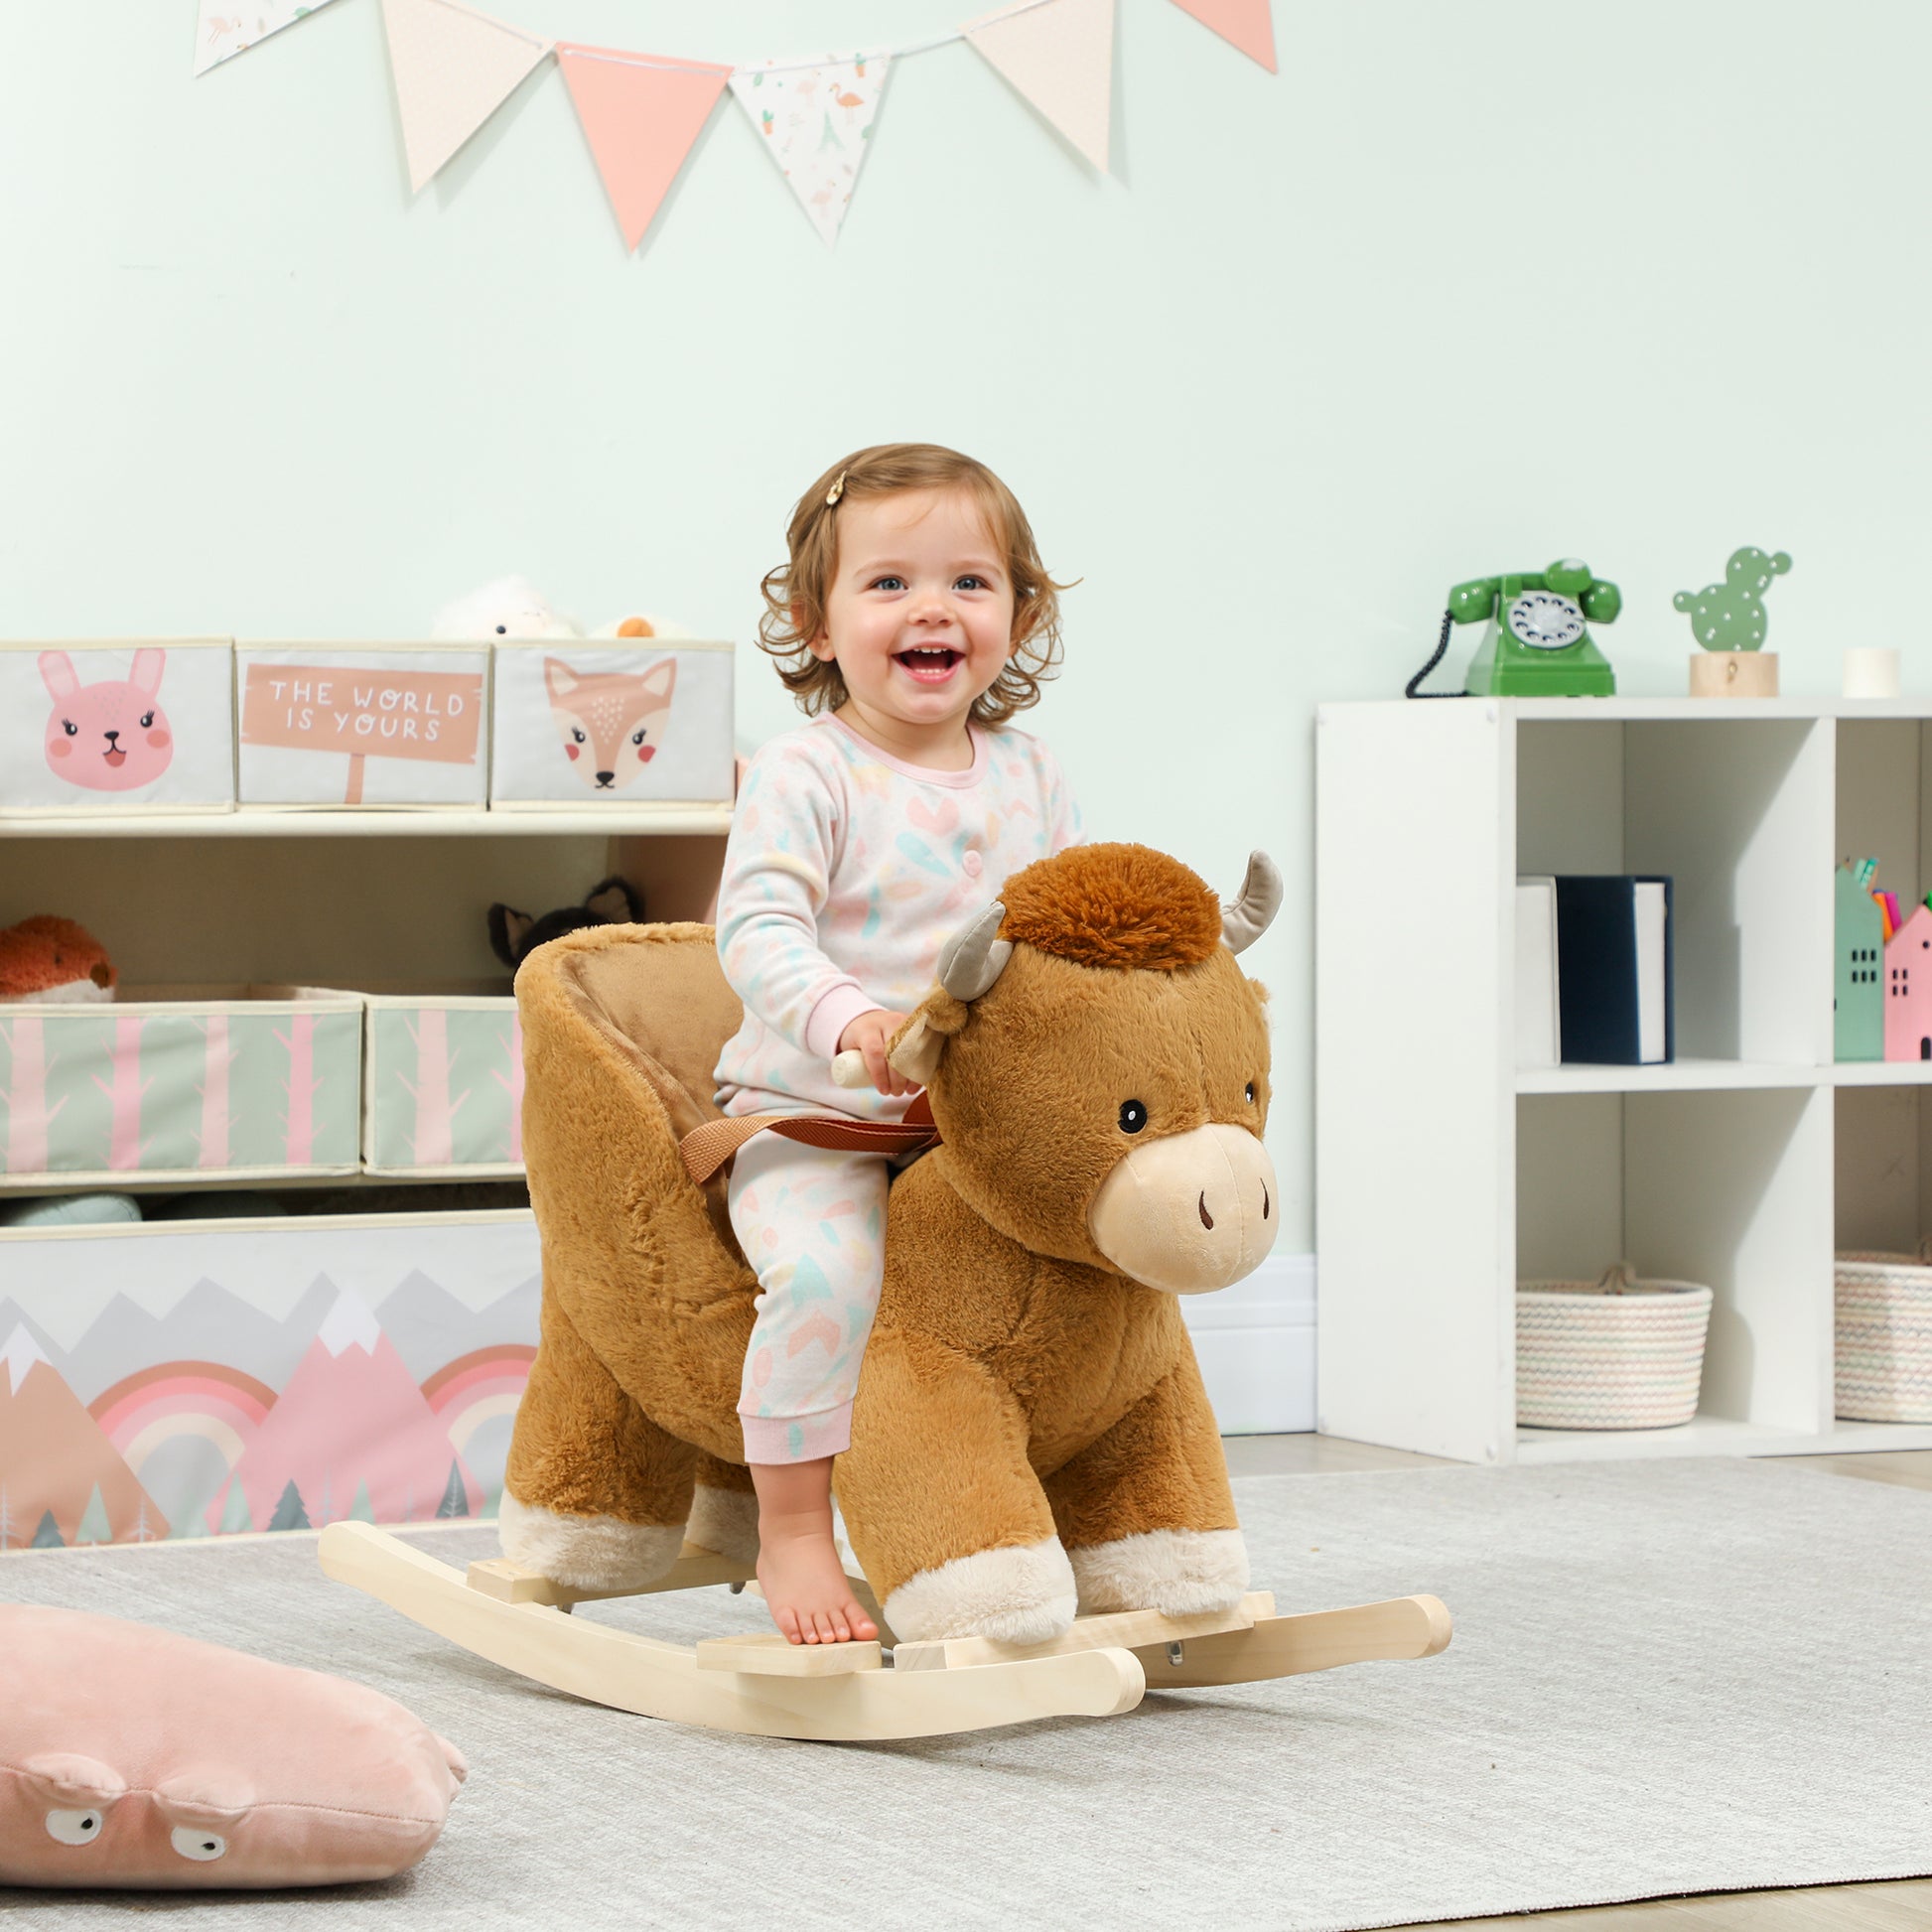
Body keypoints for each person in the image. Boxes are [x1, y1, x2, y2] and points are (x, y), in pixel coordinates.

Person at [714, 442, 1081, 1643]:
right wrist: (850, 1017)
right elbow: (756, 929)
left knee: (1092, 1260)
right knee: (826, 1276)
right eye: (887, 584)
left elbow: (1058, 936)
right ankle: (791, 1528)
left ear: (1019, 614)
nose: (931, 608)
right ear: (815, 623)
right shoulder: (805, 769)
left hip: (967, 1119)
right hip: (818, 1114)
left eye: (969, 582)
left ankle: (1065, 1509)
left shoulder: (1031, 775)